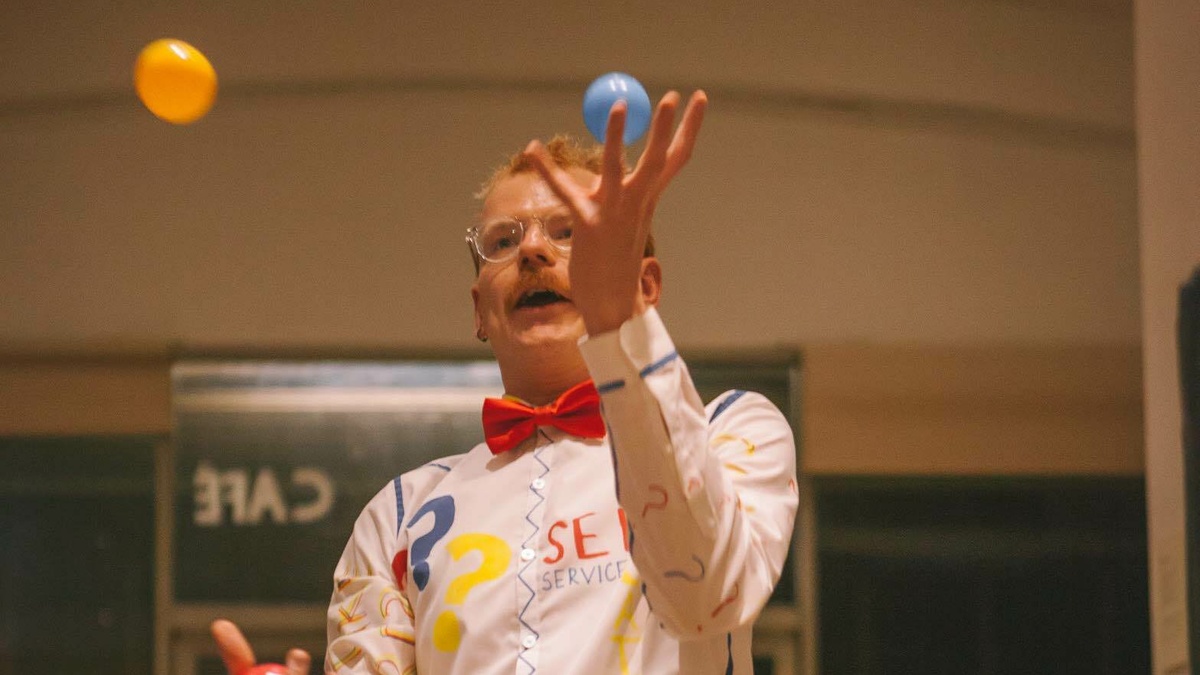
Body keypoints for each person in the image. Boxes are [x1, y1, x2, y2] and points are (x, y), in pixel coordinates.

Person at [213, 90, 797, 674]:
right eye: (502, 241)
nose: (533, 250)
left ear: (645, 285)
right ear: (477, 311)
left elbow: (704, 602)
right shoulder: (398, 515)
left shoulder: (734, 432)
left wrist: (620, 326)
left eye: (568, 231)